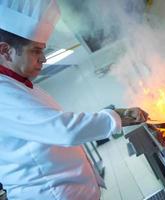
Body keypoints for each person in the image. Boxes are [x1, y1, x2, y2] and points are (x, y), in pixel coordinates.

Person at [0, 1, 148, 199]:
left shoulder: (24, 86)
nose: (43, 59)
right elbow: (64, 130)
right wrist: (117, 116)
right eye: (36, 50)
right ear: (5, 51)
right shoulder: (3, 93)